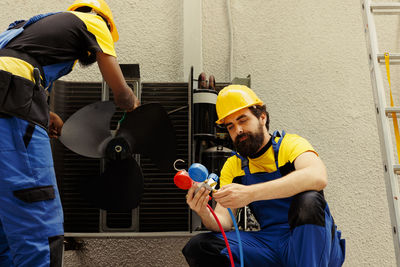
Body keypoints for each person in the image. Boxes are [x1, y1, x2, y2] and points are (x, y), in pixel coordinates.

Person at [0, 0, 139, 266]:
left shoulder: (26, 29)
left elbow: (16, 67)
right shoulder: (94, 22)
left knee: (4, 219)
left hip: (9, 104)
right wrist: (131, 103)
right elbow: (120, 90)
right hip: (13, 108)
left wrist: (45, 111)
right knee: (35, 210)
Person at [182, 85, 346, 266]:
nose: (238, 130)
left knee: (309, 200)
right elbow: (225, 221)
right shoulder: (233, 165)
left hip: (313, 242)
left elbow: (317, 177)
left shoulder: (290, 145)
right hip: (270, 243)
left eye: (242, 120)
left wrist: (250, 193)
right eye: (231, 126)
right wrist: (203, 211)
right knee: (199, 247)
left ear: (262, 117)